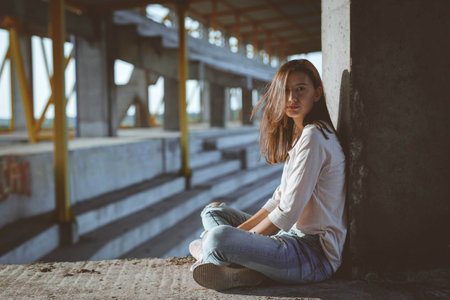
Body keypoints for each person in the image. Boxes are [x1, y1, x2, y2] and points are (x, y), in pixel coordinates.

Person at [189, 59, 347, 291]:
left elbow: (287, 213)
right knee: (213, 211)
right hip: (288, 238)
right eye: (285, 91)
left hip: (313, 256)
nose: (292, 98)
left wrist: (241, 239)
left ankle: (219, 255)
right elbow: (277, 200)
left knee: (215, 239)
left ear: (317, 94)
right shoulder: (302, 136)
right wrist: (243, 238)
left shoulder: (315, 137)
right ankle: (243, 266)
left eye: (300, 89)